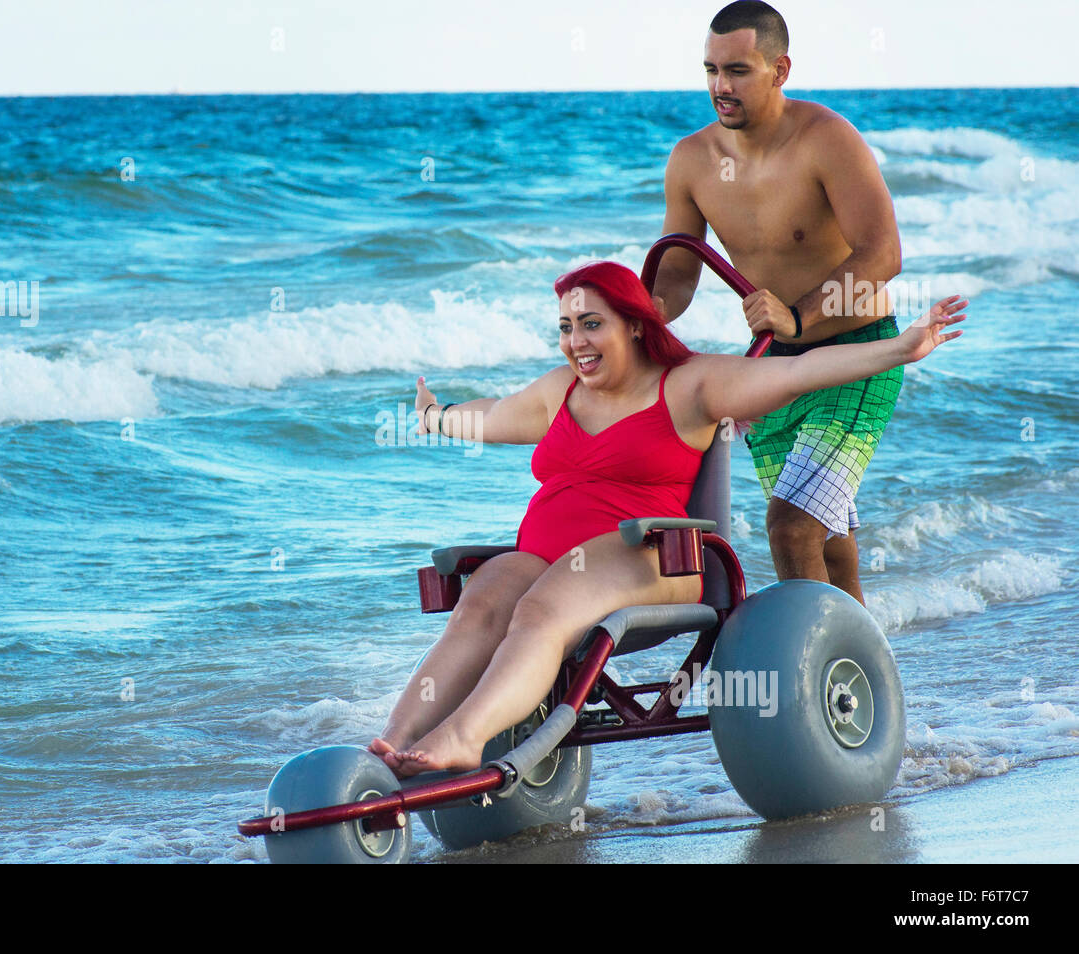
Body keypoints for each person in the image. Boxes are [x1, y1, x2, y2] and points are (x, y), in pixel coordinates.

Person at [370, 260, 966, 777]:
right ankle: (390, 747)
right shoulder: (561, 391)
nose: (576, 341)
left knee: (538, 609)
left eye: (591, 323)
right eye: (566, 327)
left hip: (649, 555)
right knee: (481, 602)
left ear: (634, 323)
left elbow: (792, 375)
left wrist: (899, 349)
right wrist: (436, 416)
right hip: (545, 560)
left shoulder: (689, 385)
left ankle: (463, 737)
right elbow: (493, 416)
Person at [649, 0, 903, 605]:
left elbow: (882, 253)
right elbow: (677, 276)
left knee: (791, 527)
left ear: (779, 70)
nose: (719, 86)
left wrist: (800, 314)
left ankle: (809, 672)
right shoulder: (692, 160)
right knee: (829, 537)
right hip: (770, 364)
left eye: (737, 70)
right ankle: (860, 677)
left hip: (855, 355)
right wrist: (634, 324)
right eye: (710, 69)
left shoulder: (826, 139)